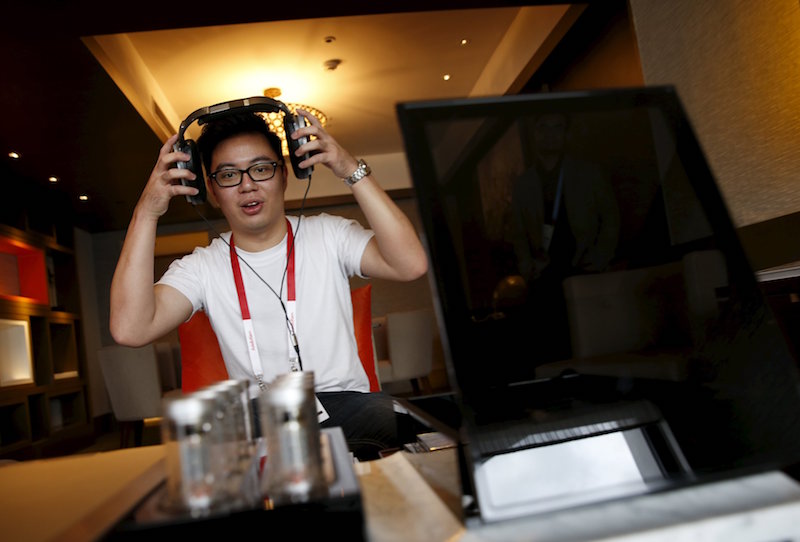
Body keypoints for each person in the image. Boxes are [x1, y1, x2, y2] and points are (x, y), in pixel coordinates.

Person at [109, 107, 428, 460]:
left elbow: (411, 264)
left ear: (284, 175)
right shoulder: (201, 267)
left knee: (425, 433)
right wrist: (147, 212)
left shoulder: (329, 234)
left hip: (353, 417)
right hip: (265, 428)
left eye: (261, 169)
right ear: (210, 191)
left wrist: (349, 169)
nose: (248, 185)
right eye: (228, 174)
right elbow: (129, 329)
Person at [509, 112, 620, 362]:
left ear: (566, 134)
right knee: (552, 345)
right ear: (534, 134)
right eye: (543, 127)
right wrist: (526, 266)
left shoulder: (588, 172)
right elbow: (517, 232)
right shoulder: (524, 183)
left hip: (585, 267)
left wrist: (601, 255)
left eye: (557, 128)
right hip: (544, 273)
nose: (550, 134)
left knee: (594, 339)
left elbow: (611, 217)